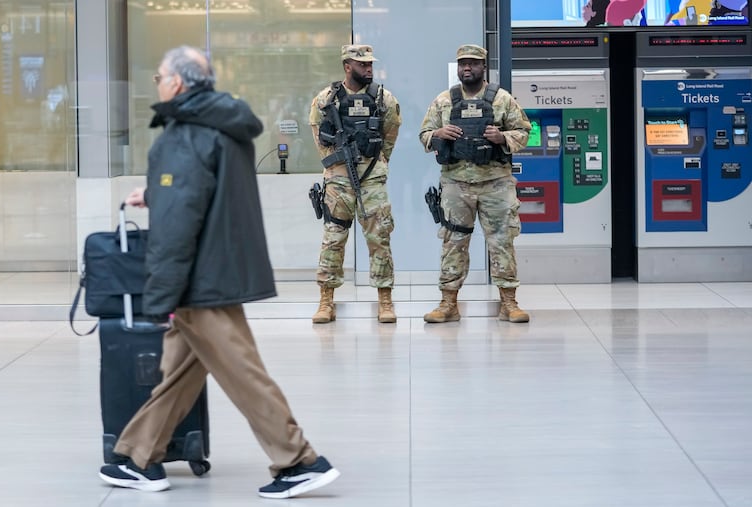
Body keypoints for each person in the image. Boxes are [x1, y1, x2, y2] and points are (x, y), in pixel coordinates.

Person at [98, 46, 339, 499]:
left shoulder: (183, 133)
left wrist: (161, 293)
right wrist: (156, 193)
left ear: (178, 82)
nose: (158, 84)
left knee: (242, 372)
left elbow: (178, 222)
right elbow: (200, 190)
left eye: (159, 76)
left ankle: (299, 460)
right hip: (220, 265)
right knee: (180, 371)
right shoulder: (223, 123)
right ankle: (138, 457)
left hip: (199, 279)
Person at [419, 44, 532, 324]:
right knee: (453, 243)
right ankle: (448, 303)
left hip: (495, 182)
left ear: (484, 67)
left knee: (502, 241)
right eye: (462, 64)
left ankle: (509, 302)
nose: (466, 68)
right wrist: (438, 133)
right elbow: (423, 134)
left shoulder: (502, 99)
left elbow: (525, 131)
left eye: (473, 63)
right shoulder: (444, 101)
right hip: (456, 183)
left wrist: (502, 138)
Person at [308, 44, 402, 324]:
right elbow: (317, 135)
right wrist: (336, 164)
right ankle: (326, 301)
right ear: (347, 66)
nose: (369, 69)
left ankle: (385, 299)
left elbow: (391, 134)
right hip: (338, 180)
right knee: (333, 239)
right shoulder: (326, 99)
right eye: (363, 65)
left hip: (371, 179)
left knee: (380, 237)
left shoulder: (383, 98)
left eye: (371, 64)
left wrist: (376, 163)